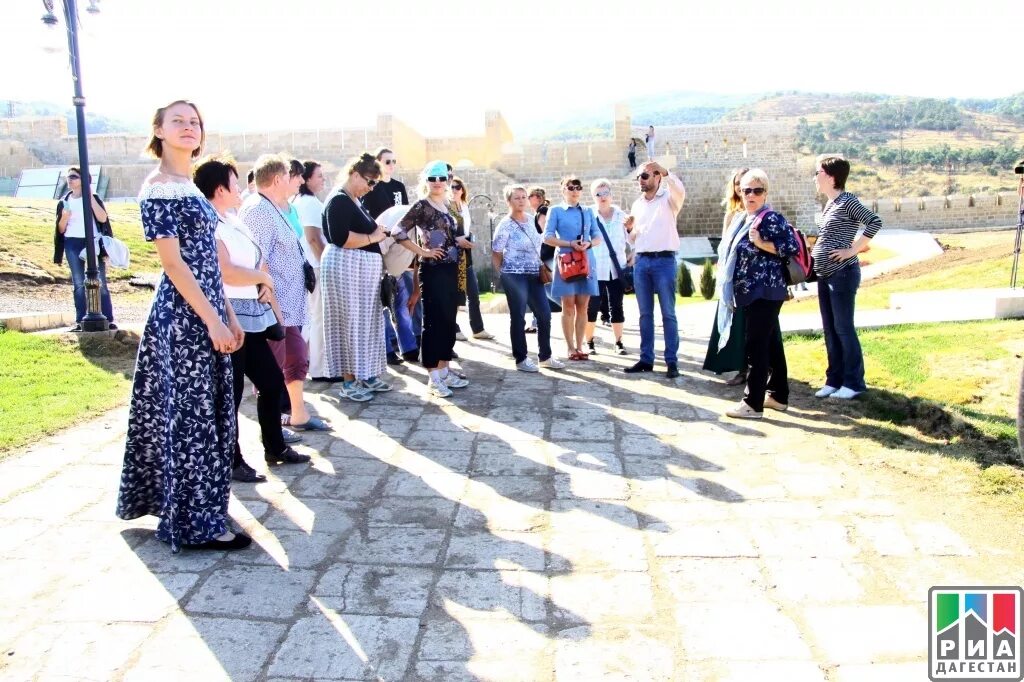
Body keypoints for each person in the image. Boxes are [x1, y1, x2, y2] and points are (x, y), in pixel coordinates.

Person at [116, 99, 250, 552]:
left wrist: (229, 315)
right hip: (183, 318)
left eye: (194, 122)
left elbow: (213, 259)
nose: (189, 127)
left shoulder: (188, 185)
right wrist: (212, 320)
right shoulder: (156, 187)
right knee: (191, 420)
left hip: (210, 312)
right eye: (178, 121)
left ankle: (204, 508)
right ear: (158, 129)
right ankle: (196, 524)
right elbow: (173, 265)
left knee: (210, 418)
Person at [196, 154, 309, 481]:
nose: (239, 187)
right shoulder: (211, 224)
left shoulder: (233, 220)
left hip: (253, 317)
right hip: (231, 318)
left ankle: (274, 447)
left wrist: (262, 280)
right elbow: (225, 271)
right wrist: (261, 279)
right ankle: (231, 461)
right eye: (233, 182)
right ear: (219, 189)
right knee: (230, 396)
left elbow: (257, 261)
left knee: (272, 383)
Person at [239, 155, 327, 430]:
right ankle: (275, 426)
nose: (296, 181)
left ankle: (298, 415)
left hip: (290, 304)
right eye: (291, 176)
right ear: (278, 179)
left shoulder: (274, 207)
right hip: (274, 307)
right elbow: (258, 260)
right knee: (273, 368)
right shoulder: (257, 210)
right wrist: (273, 306)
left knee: (297, 358)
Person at [719, 169, 799, 419]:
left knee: (756, 346)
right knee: (771, 344)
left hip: (764, 291)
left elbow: (791, 247)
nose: (751, 195)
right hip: (752, 292)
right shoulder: (744, 218)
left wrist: (761, 243)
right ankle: (778, 395)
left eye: (757, 190)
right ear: (740, 193)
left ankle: (752, 403)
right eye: (746, 190)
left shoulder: (770, 218)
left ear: (765, 193)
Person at [394, 160, 469, 398]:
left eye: (441, 178)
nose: (437, 183)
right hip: (433, 270)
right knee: (433, 322)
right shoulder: (421, 206)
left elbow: (447, 236)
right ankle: (433, 377)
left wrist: (460, 242)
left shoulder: (448, 204)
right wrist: (423, 252)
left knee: (449, 321)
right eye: (432, 179)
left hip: (452, 269)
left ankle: (445, 369)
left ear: (447, 180)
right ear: (426, 181)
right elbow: (398, 231)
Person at [321, 153, 392, 402]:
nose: (371, 188)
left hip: (361, 272)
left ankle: (367, 374)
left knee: (366, 324)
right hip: (346, 270)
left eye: (374, 183)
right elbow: (342, 238)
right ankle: (349, 381)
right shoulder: (339, 200)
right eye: (369, 181)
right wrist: (375, 237)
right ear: (354, 174)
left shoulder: (354, 200)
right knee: (349, 323)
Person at [813, 155, 883, 400]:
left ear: (831, 176)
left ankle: (854, 383)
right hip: (825, 274)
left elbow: (874, 221)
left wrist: (853, 249)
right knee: (830, 329)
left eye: (818, 172)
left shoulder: (847, 201)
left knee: (843, 328)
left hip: (842, 274)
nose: (815, 177)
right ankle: (835, 379)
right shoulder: (831, 203)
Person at [491, 185, 564, 372]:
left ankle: (545, 356)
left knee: (544, 314)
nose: (522, 200)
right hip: (514, 275)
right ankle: (521, 358)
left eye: (524, 197)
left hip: (534, 273)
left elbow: (538, 245)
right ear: (509, 201)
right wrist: (503, 275)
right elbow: (496, 253)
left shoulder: (532, 220)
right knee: (518, 317)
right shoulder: (505, 224)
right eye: (517, 198)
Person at [624, 161, 685, 378]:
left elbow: (680, 189)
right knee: (644, 314)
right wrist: (629, 230)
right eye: (639, 176)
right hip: (642, 262)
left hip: (664, 261)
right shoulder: (637, 205)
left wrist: (666, 170)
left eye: (645, 175)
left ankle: (671, 361)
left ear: (658, 176)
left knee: (668, 313)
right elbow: (633, 239)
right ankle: (646, 358)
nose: (641, 180)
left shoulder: (669, 199)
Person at [363, 147, 417, 364]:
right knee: (384, 301)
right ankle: (388, 347)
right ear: (378, 163)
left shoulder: (398, 187)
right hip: (379, 246)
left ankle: (408, 346)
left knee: (402, 301)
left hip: (400, 247)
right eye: (387, 161)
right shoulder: (372, 187)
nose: (391, 165)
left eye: (394, 161)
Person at [544, 176, 602, 361]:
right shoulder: (555, 211)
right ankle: (569, 347)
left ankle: (580, 346)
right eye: (571, 187)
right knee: (568, 306)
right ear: (563, 190)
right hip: (566, 262)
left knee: (583, 307)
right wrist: (569, 243)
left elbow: (598, 236)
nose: (575, 190)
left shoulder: (588, 211)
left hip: (585, 260)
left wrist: (588, 244)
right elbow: (547, 237)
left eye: (578, 187)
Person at [54, 166, 116, 331]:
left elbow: (102, 218)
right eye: (68, 177)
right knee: (79, 283)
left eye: (74, 176)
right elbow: (60, 229)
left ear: (84, 180)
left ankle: (108, 319)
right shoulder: (65, 201)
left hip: (92, 243)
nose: (70, 179)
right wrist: (65, 218)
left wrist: (90, 197)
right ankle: (81, 320)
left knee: (100, 281)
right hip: (72, 243)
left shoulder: (92, 197)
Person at [703, 167, 750, 384]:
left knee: (755, 324)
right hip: (733, 278)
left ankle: (761, 368)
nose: (740, 187)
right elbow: (724, 246)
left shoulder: (758, 211)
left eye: (744, 182)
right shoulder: (731, 214)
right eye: (737, 182)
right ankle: (740, 368)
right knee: (735, 322)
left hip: (753, 277)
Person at [291, 160, 330, 380]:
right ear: (307, 180)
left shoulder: (304, 201)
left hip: (309, 265)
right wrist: (327, 266)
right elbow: (313, 238)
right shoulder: (309, 203)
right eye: (319, 176)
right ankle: (318, 368)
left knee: (312, 317)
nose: (323, 179)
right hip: (315, 266)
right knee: (318, 317)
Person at [584, 179, 629, 356]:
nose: (602, 197)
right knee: (592, 306)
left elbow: (631, 239)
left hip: (616, 269)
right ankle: (589, 341)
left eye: (605, 193)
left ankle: (618, 342)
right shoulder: (589, 215)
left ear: (611, 194)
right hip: (595, 268)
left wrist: (633, 254)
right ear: (593, 197)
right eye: (598, 194)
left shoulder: (621, 215)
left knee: (617, 306)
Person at [450, 175, 493, 341]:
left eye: (457, 187)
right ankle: (453, 328)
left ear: (462, 190)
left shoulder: (464, 207)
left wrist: (470, 239)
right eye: (452, 187)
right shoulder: (446, 207)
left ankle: (478, 328)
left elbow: (467, 229)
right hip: (452, 255)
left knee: (473, 293)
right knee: (454, 294)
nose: (454, 190)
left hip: (465, 254)